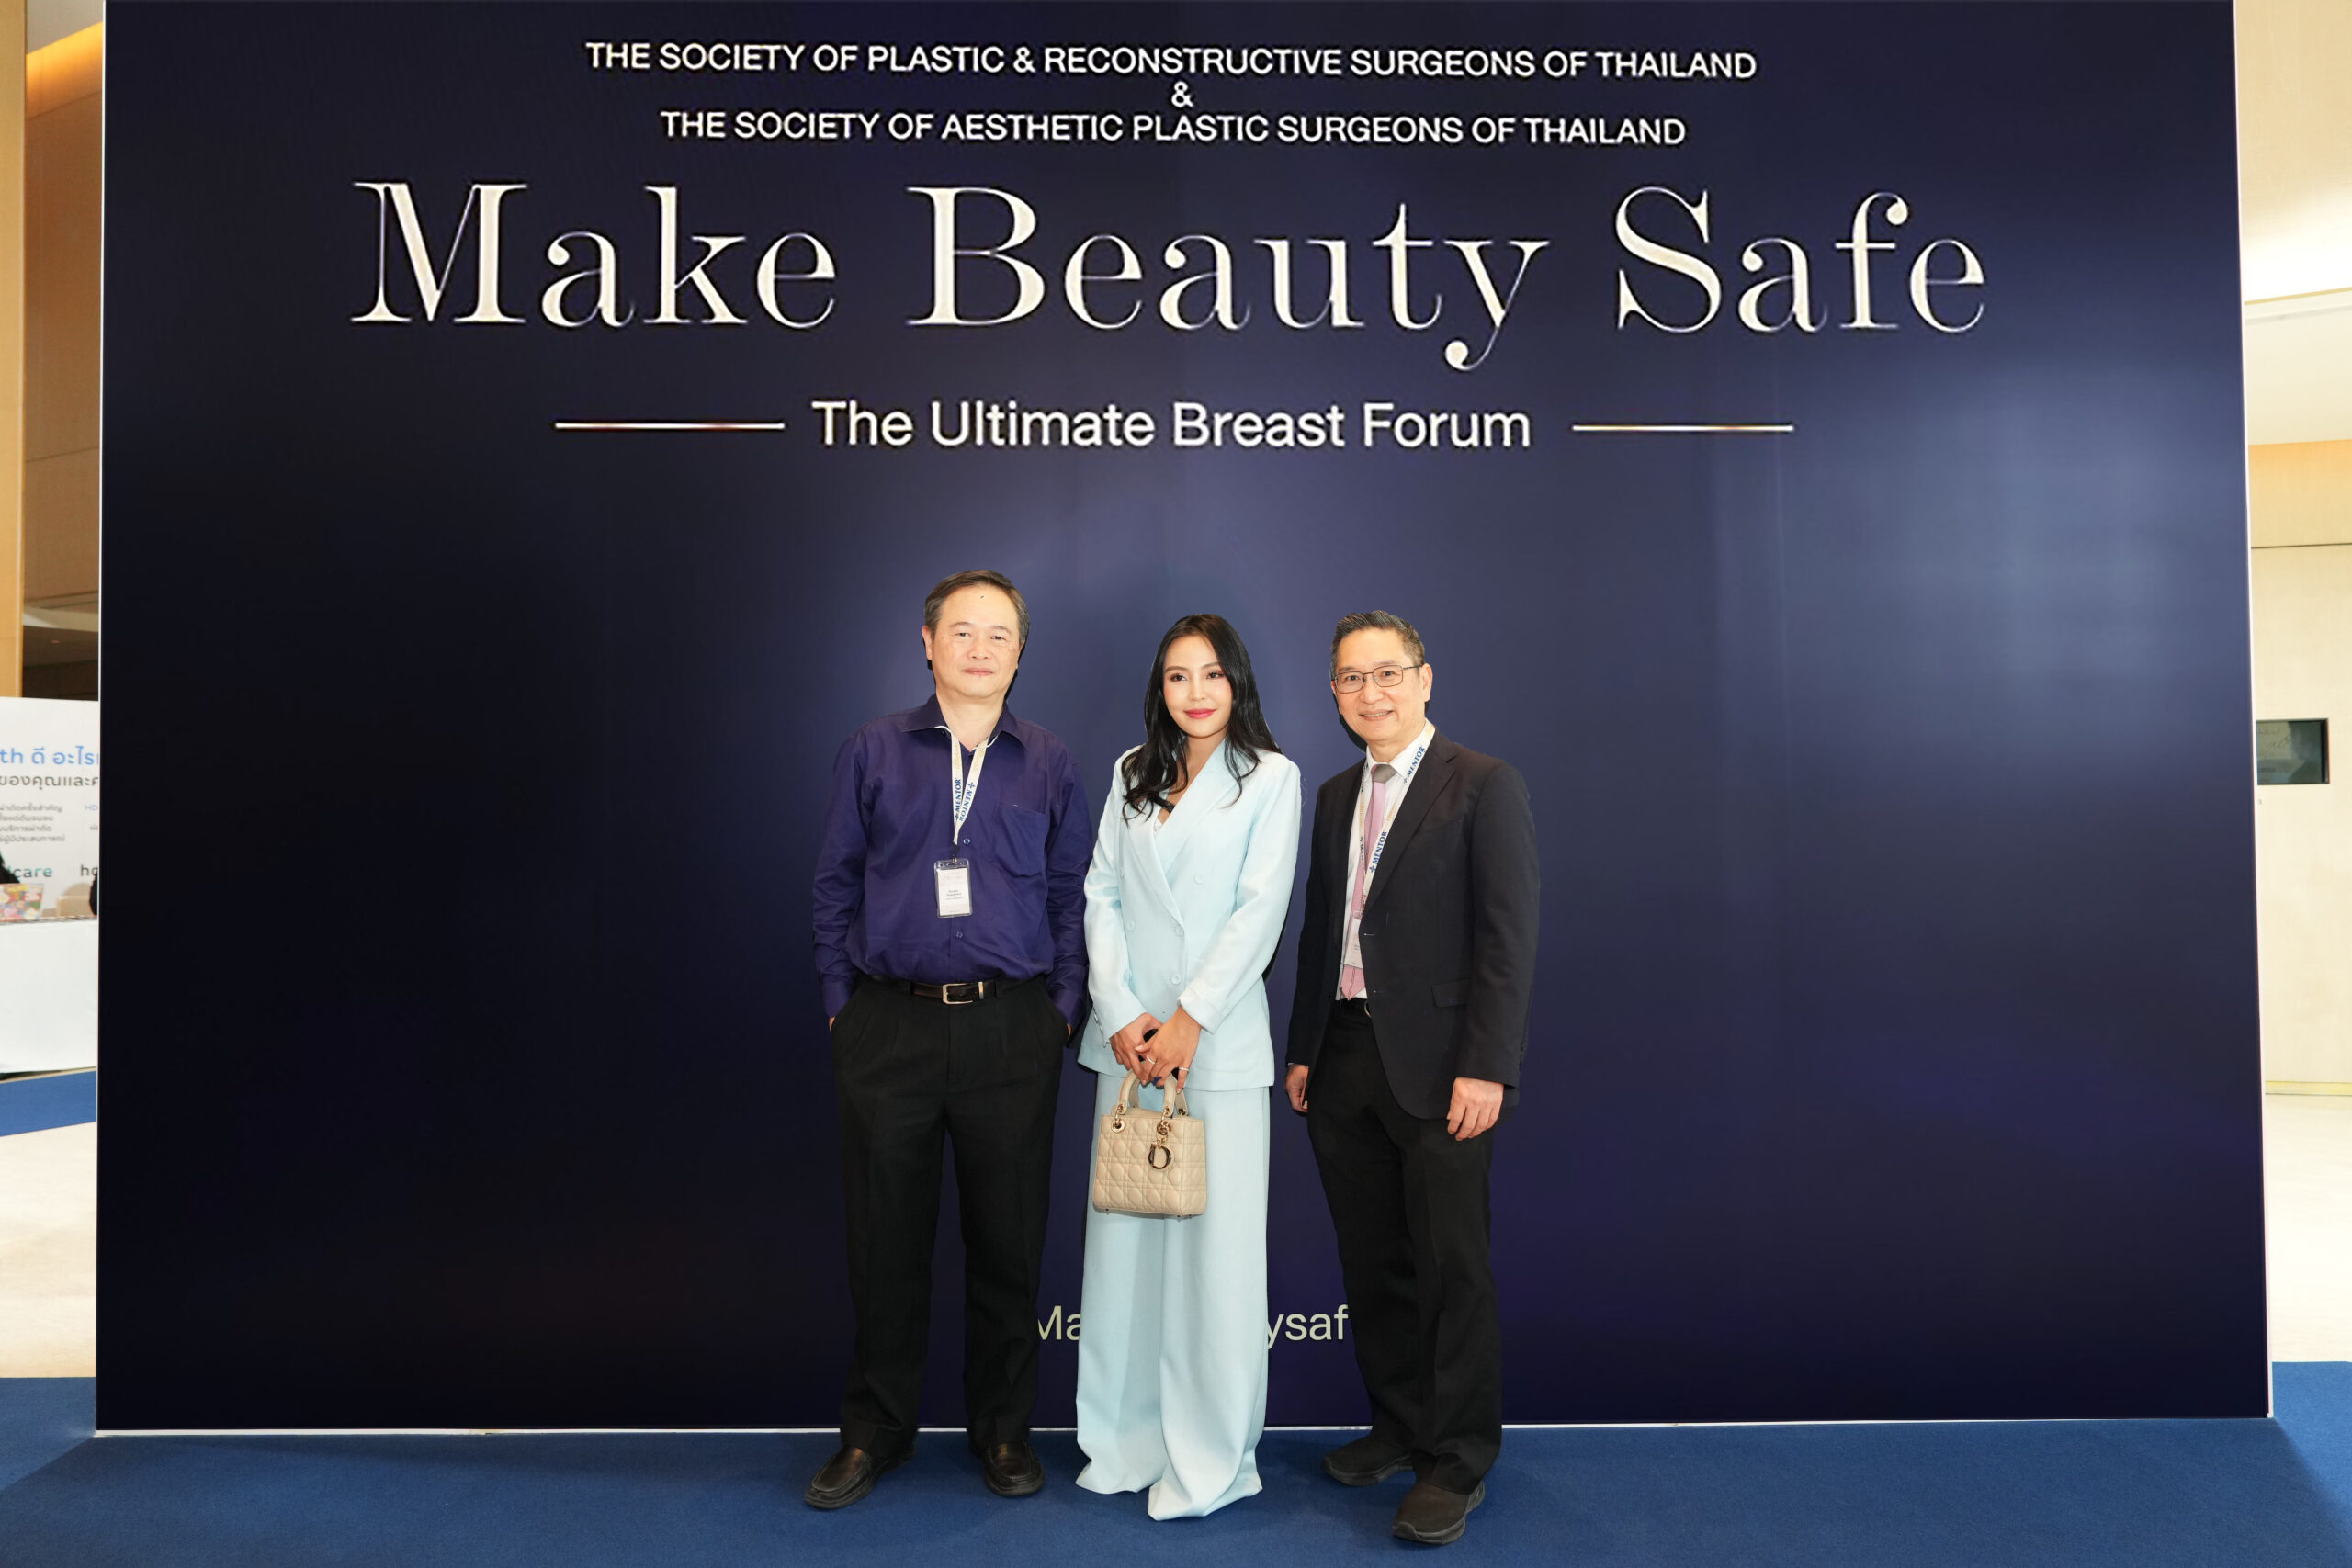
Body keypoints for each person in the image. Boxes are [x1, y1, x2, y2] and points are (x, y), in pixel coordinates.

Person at [808, 570, 1093, 1509]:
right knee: (883, 1243)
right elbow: (835, 882)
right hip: (887, 1025)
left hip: (1012, 1029)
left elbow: (1071, 894)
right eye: (961, 631)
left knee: (1008, 1245)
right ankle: (875, 1432)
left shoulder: (1047, 760)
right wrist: (843, 1003)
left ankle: (1003, 1431)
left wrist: (1060, 1007)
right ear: (927, 643)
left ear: (1020, 652)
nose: (979, 648)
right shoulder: (874, 749)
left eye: (998, 634)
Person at [1283, 610, 1539, 1547]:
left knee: (1450, 1266)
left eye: (1387, 673)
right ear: (1335, 693)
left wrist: (1487, 1065)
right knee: (1374, 1261)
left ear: (1424, 679)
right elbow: (1321, 930)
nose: (1371, 693)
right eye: (1352, 678)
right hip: (1343, 1061)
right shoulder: (1333, 794)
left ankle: (1458, 1458)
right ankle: (1399, 1425)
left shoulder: (1483, 783)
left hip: (1441, 1071)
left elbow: (1508, 938)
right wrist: (1304, 1046)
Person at [1074, 614, 1301, 1519]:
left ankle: (1210, 1458)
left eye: (1212, 674)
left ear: (1237, 682)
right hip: (1130, 1048)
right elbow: (1100, 892)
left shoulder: (1271, 778)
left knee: (1217, 1267)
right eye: (1178, 676)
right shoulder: (1132, 771)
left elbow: (1259, 911)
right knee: (1123, 1258)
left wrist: (1188, 1018)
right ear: (1159, 688)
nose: (1196, 693)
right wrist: (1122, 1010)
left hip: (1214, 1044)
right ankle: (1123, 1441)